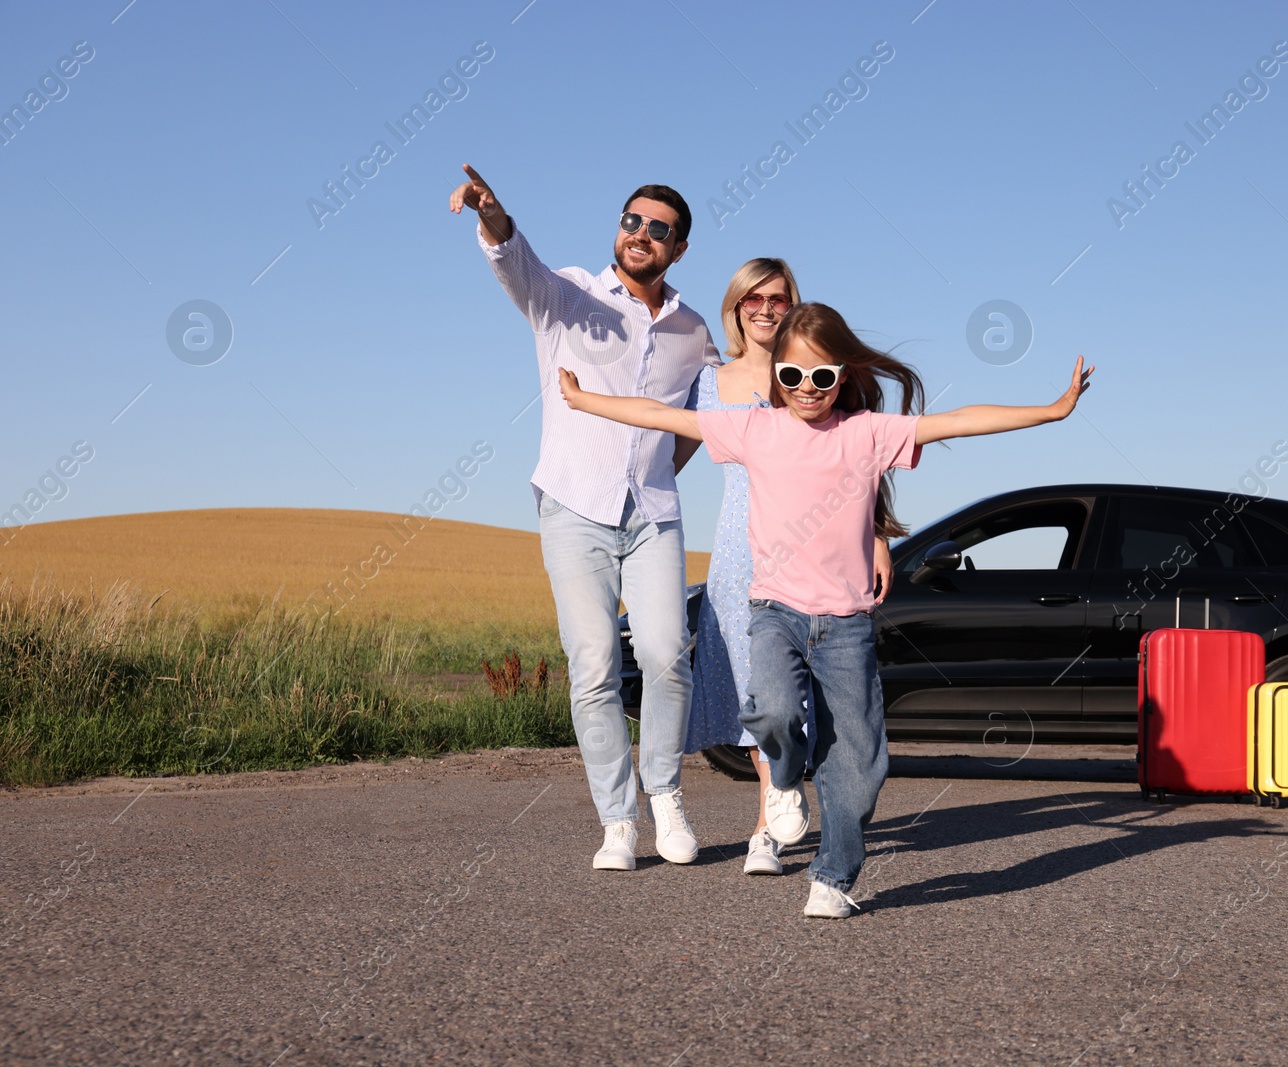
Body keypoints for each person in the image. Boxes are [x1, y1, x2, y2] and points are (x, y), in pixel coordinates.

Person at [558, 302, 1094, 916]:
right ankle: (784, 780)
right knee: (775, 711)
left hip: (845, 626)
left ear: (842, 375)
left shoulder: (867, 432)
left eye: (821, 376)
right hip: (775, 613)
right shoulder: (753, 430)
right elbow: (659, 414)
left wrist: (1052, 410)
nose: (807, 389)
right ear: (775, 378)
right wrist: (586, 400)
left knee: (857, 760)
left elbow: (957, 421)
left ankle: (832, 879)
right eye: (791, 376)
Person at [449, 164, 716, 872]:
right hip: (574, 508)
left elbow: (708, 416)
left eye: (659, 229)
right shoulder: (567, 295)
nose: (641, 235)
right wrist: (493, 214)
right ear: (619, 228)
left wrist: (663, 467)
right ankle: (618, 821)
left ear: (678, 249)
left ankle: (666, 797)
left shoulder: (693, 331)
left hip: (653, 514)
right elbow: (515, 262)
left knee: (665, 653)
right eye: (633, 221)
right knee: (594, 663)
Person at [680, 261, 894, 876]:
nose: (766, 309)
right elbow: (671, 452)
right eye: (753, 299)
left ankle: (782, 821)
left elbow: (854, 457)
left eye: (778, 298)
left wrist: (877, 536)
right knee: (762, 691)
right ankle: (769, 823)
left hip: (822, 552)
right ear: (736, 308)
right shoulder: (711, 382)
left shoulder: (812, 373)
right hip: (741, 550)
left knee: (815, 698)